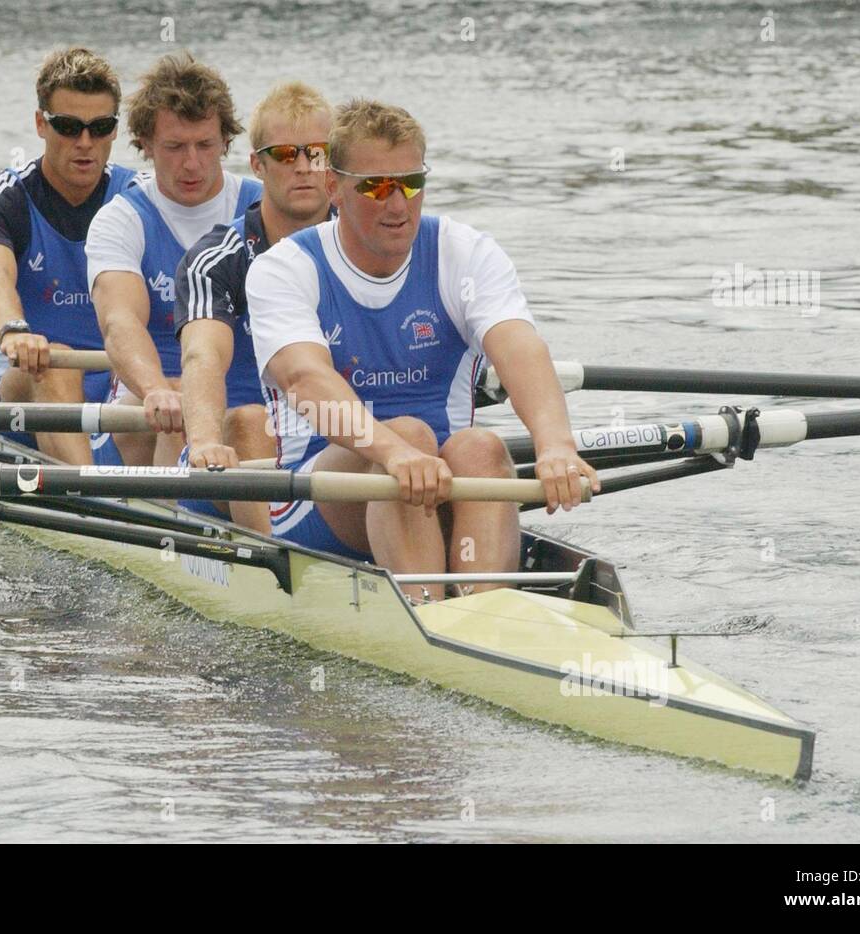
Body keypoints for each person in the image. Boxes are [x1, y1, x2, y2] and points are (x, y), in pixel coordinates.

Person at [245, 99, 598, 601]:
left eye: (410, 182)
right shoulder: (285, 269)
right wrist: (393, 451)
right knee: (407, 436)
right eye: (375, 187)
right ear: (333, 189)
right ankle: (430, 615)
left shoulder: (464, 251)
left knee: (482, 447)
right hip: (320, 500)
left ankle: (486, 610)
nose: (397, 204)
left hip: (445, 484)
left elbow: (517, 347)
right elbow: (306, 382)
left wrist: (556, 445)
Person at [0, 47, 135, 464]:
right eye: (69, 127)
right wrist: (14, 331)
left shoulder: (140, 198)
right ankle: (93, 510)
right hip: (27, 406)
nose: (85, 143)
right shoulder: (0, 204)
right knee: (54, 364)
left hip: (124, 406)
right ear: (40, 124)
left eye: (100, 127)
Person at [172, 82, 335, 531]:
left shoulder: (364, 247)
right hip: (238, 457)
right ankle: (275, 565)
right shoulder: (217, 260)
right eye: (285, 155)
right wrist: (205, 440)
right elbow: (201, 356)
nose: (303, 167)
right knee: (249, 421)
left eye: (317, 153)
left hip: (337, 442)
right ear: (258, 165)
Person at [85, 53, 261, 467]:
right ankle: (173, 523)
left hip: (255, 410)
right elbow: (119, 323)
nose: (192, 163)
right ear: (145, 144)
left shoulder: (264, 208)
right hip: (155, 407)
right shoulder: (122, 220)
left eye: (205, 145)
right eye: (175, 146)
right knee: (186, 401)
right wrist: (154, 389)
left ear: (226, 142)